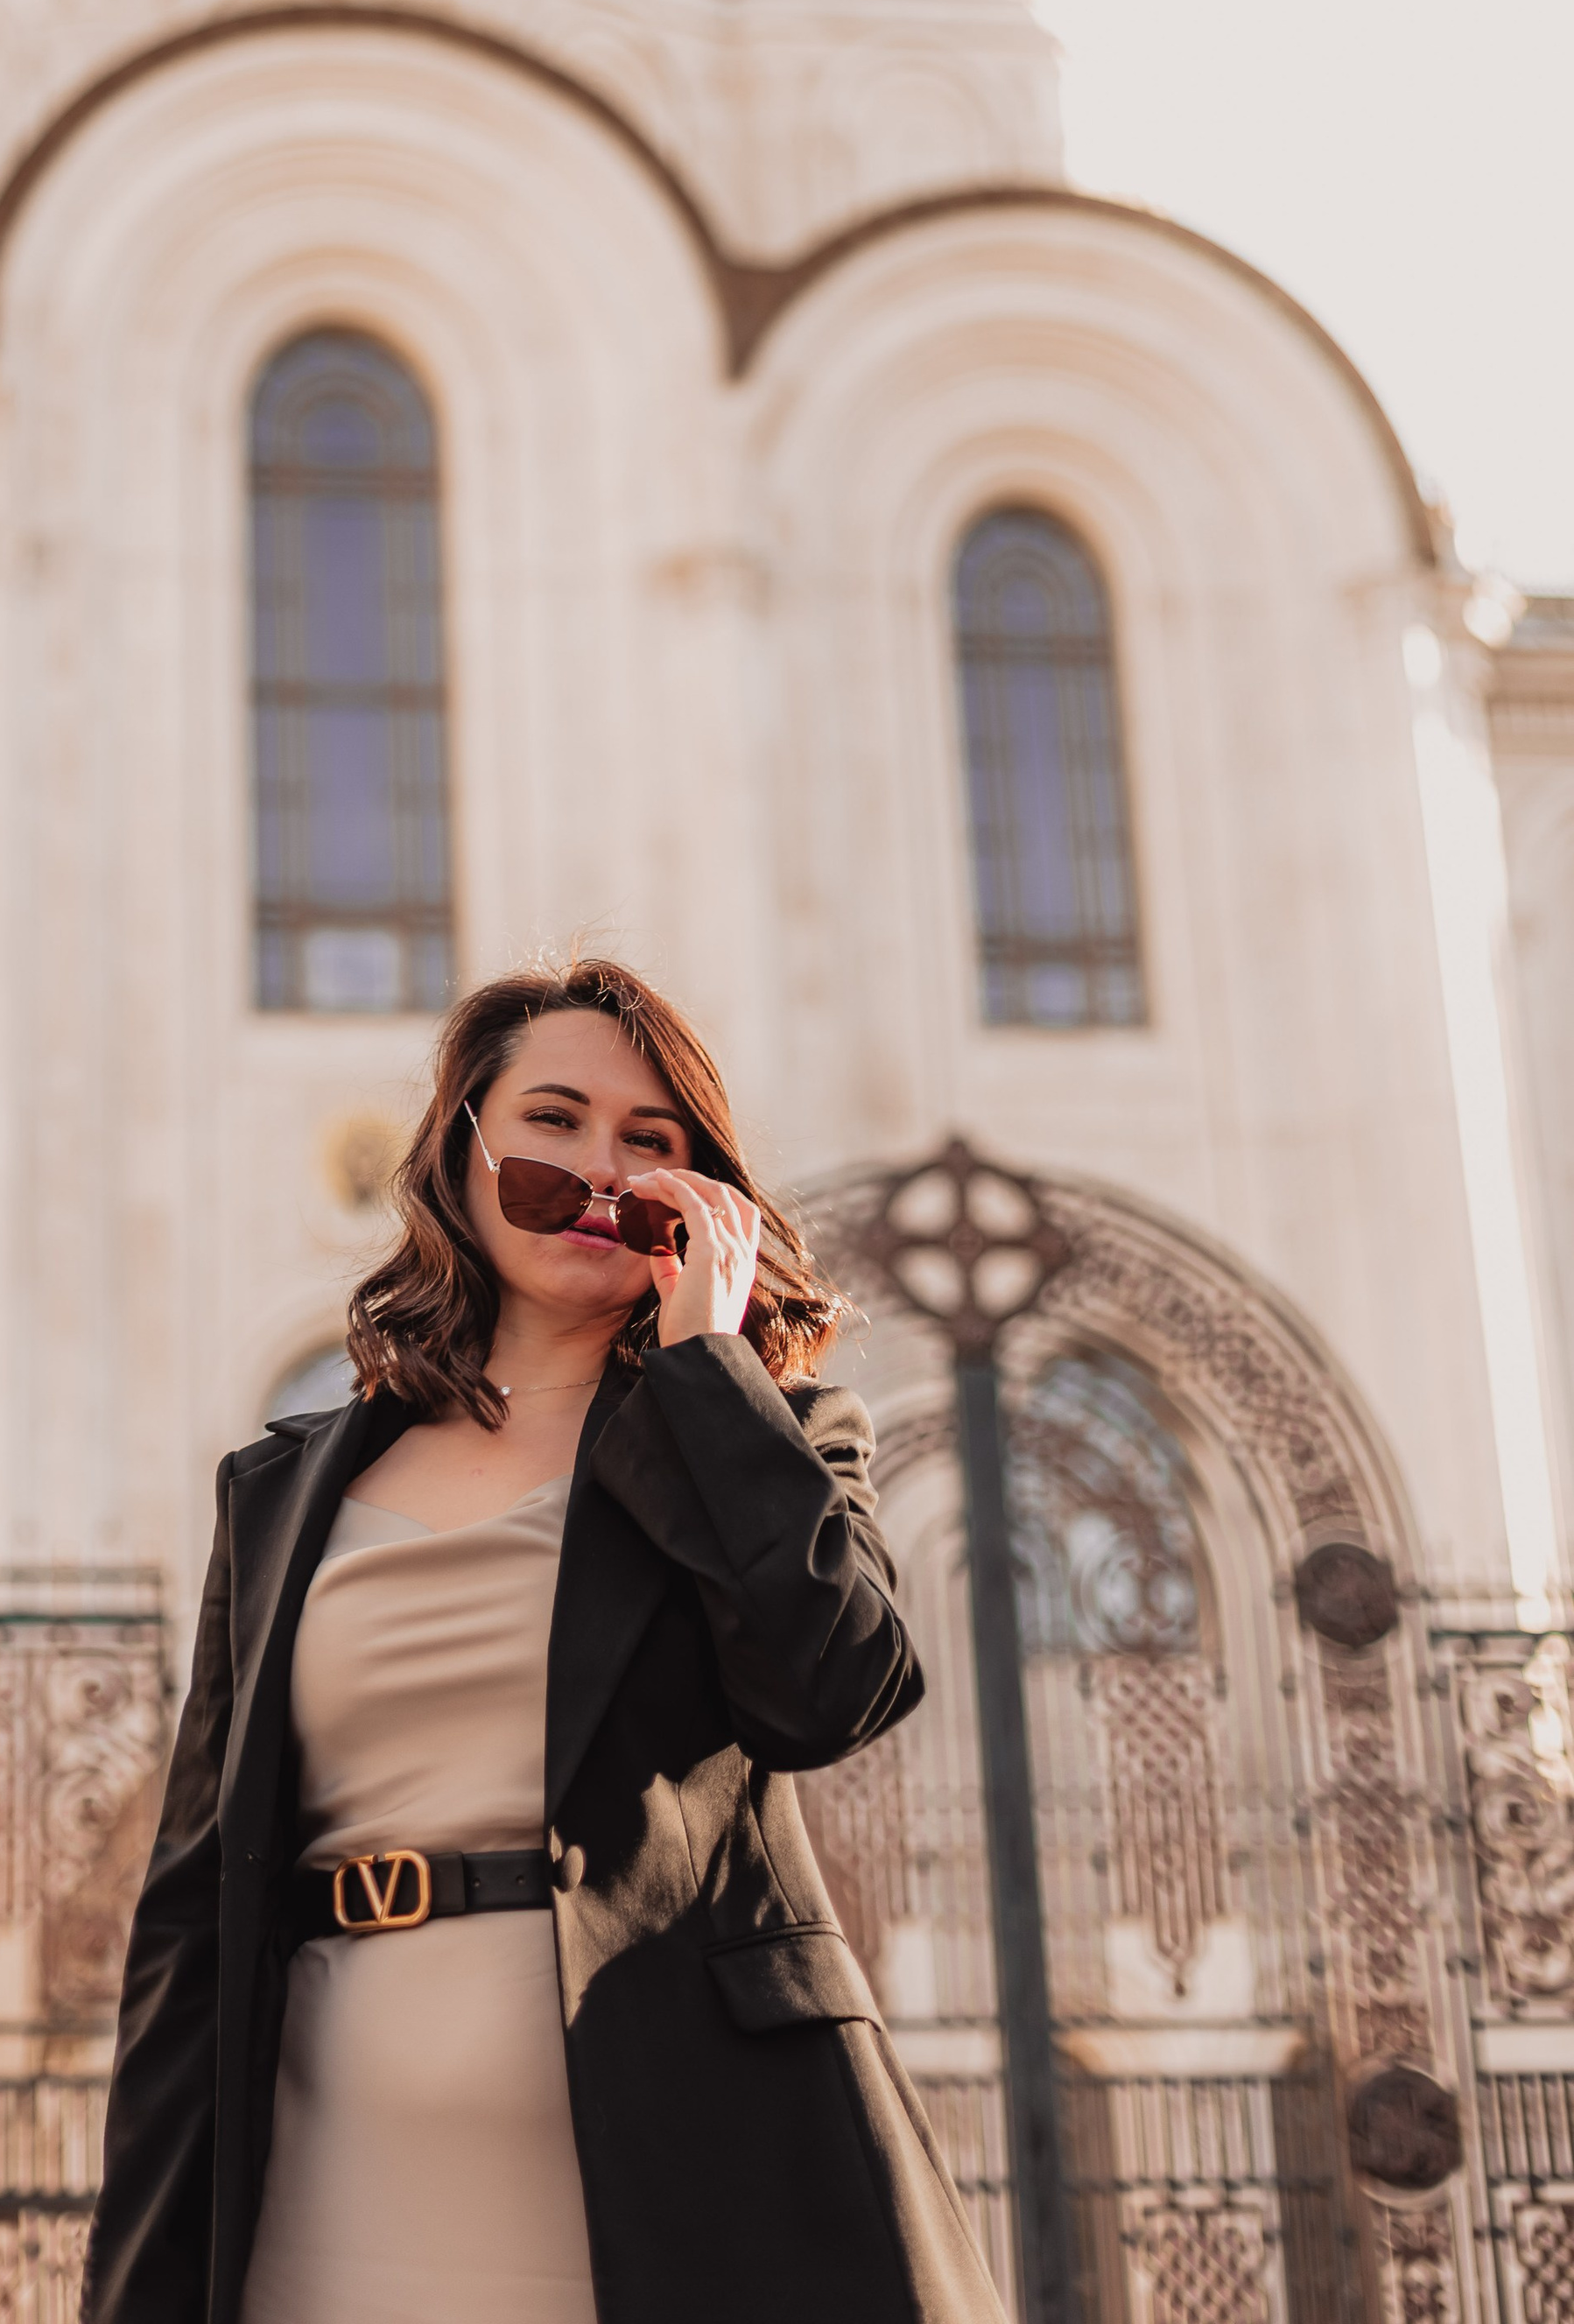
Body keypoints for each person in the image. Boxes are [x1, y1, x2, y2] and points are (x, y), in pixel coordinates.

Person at [83, 957, 1002, 2324]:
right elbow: (195, 1907)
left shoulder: (775, 1442)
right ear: (463, 1154)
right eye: (554, 1121)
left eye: (651, 1141)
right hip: (331, 2167)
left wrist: (708, 1375)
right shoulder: (280, 1494)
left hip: (682, 2170)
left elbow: (832, 1688)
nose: (602, 1169)